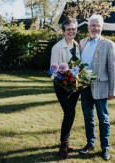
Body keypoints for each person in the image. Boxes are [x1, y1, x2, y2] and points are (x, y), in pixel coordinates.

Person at [78, 14, 115, 161]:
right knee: (88, 118)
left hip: (101, 87)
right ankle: (90, 143)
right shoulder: (82, 43)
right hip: (85, 86)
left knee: (103, 119)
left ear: (102, 27)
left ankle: (105, 148)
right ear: (88, 27)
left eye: (98, 25)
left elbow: (113, 69)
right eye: (93, 25)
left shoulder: (109, 44)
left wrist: (112, 90)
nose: (95, 28)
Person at [50, 18, 80, 159]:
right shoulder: (57, 47)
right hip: (62, 86)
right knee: (69, 112)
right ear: (63, 31)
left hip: (75, 86)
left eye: (73, 29)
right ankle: (63, 144)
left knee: (71, 113)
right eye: (68, 29)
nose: (71, 31)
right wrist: (64, 79)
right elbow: (53, 71)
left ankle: (66, 140)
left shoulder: (78, 46)